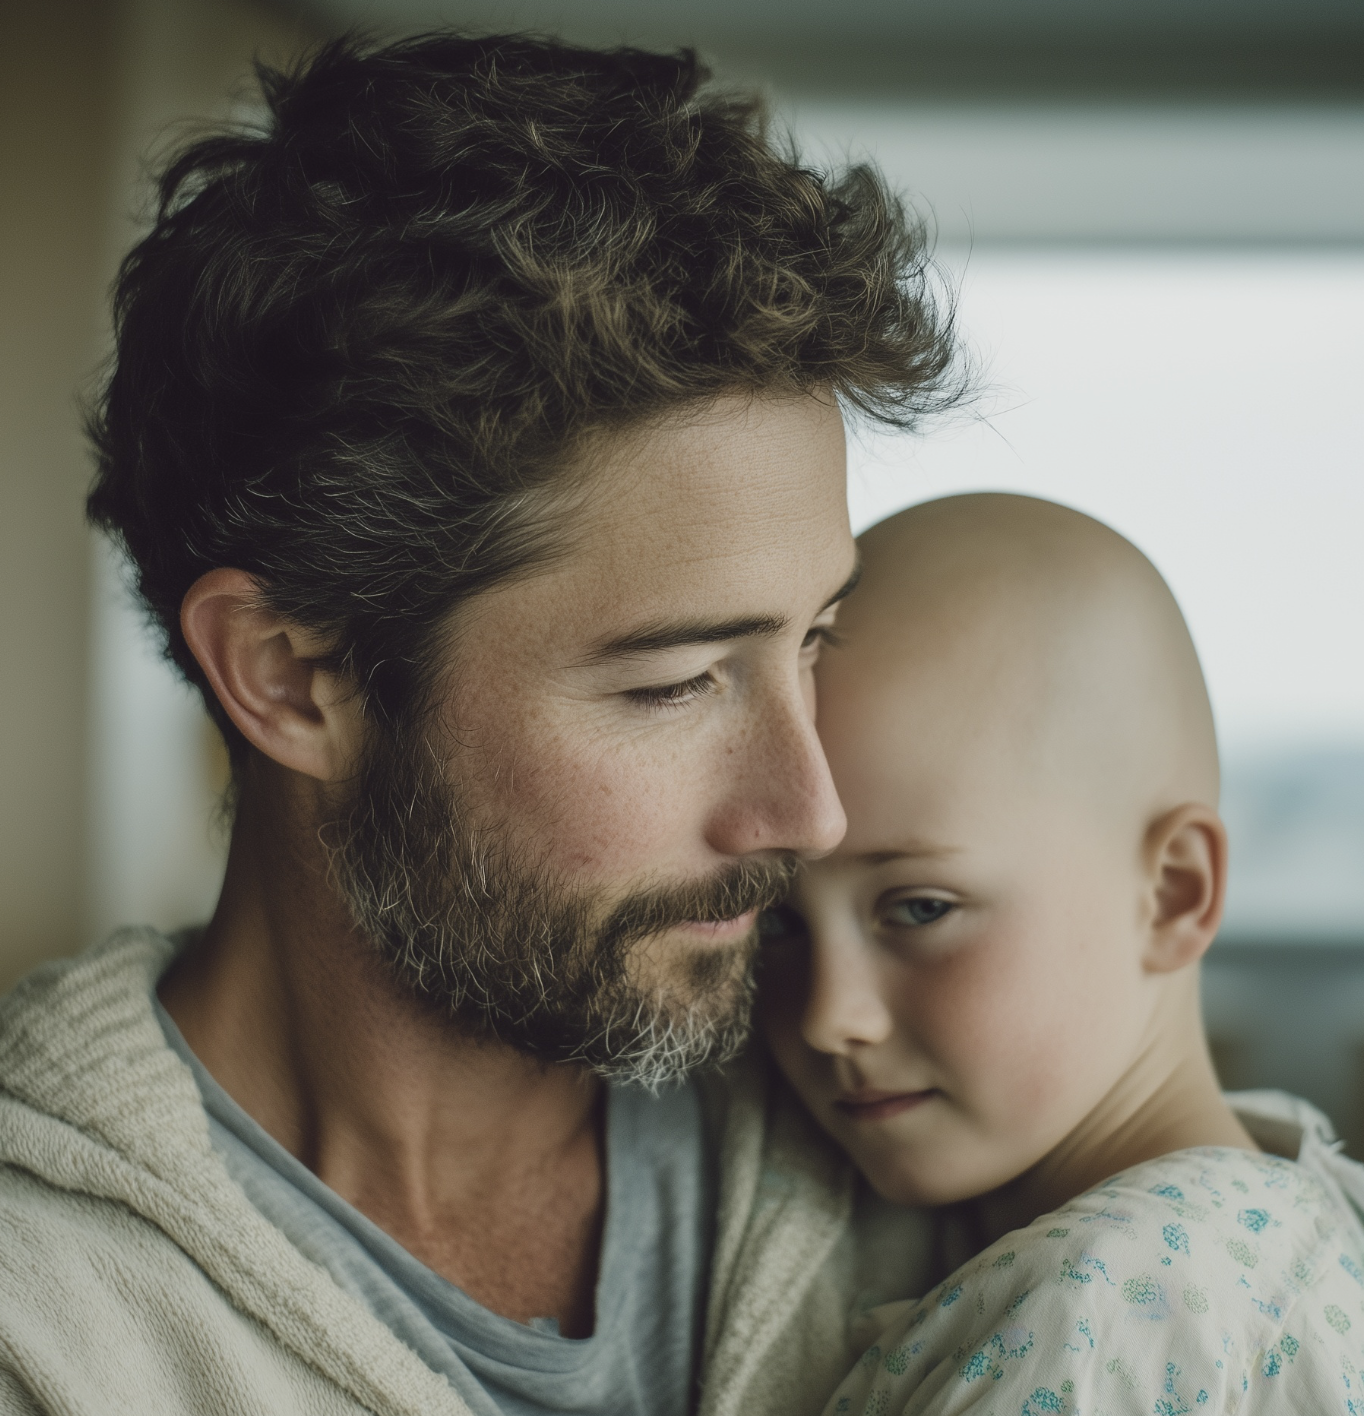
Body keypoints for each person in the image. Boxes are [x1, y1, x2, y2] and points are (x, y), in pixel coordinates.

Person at [0, 33, 968, 1416]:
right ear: (290, 678)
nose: (809, 814)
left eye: (810, 641)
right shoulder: (44, 1327)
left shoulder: (911, 1124)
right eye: (674, 682)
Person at [761, 493, 1364, 1416]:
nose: (829, 1016)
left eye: (920, 909)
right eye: (774, 924)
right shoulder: (1299, 1204)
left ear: (1173, 892)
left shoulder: (1101, 1314)